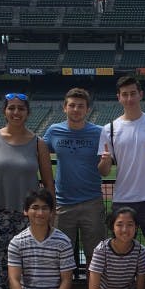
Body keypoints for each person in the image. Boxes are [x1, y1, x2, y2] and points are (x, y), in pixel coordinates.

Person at [0, 92, 55, 289]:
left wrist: (50, 213)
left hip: (29, 216)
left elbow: (48, 183)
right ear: (4, 111)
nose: (16, 112)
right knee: (2, 265)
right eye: (11, 107)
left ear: (27, 113)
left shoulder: (38, 143)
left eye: (21, 108)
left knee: (29, 265)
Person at [97, 75, 145, 253]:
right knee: (119, 250)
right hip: (123, 198)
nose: (129, 98)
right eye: (125, 94)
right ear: (119, 97)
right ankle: (122, 281)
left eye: (133, 93)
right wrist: (105, 162)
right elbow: (104, 172)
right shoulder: (110, 129)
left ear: (141, 94)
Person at [43, 87, 106, 267]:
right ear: (65, 108)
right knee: (60, 258)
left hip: (91, 202)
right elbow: (39, 152)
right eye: (72, 105)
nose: (76, 109)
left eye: (80, 106)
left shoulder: (99, 132)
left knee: (96, 258)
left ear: (87, 109)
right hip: (63, 204)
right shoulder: (54, 130)